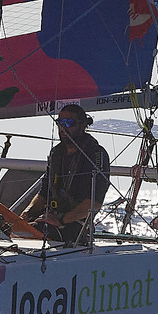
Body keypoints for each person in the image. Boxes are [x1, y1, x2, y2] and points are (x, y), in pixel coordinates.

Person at [22, 105, 110, 245]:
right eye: (60, 123)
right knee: (19, 231)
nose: (63, 128)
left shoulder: (95, 154)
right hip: (50, 218)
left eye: (69, 123)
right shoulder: (56, 153)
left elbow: (94, 202)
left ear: (82, 125)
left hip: (75, 225)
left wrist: (61, 220)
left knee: (38, 234)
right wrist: (26, 215)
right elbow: (44, 192)